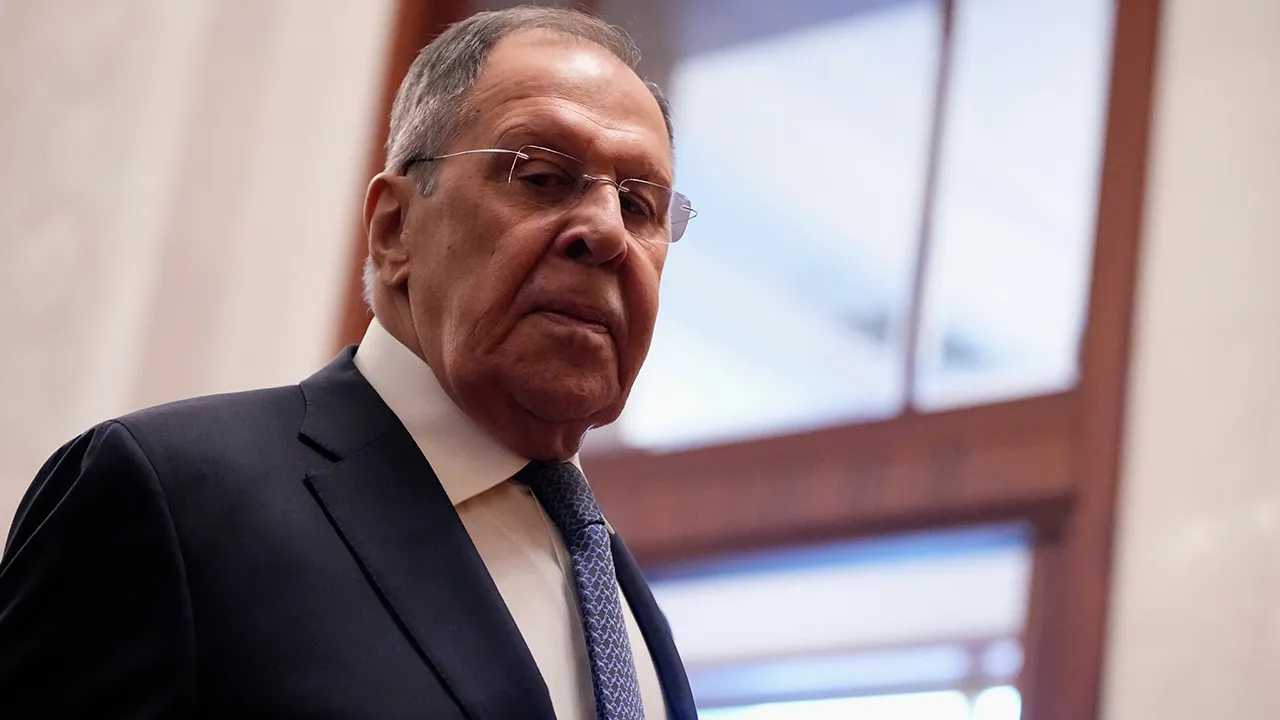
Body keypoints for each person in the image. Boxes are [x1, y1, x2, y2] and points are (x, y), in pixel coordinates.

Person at [0, 7, 698, 718]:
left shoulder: (618, 595)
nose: (606, 232)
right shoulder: (168, 497)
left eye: (640, 206)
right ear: (395, 228)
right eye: (543, 176)